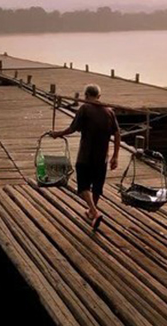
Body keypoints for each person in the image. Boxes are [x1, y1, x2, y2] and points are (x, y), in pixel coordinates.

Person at [50, 84, 120, 230]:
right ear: (99, 97)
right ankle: (91, 212)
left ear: (87, 95)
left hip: (86, 156)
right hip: (103, 157)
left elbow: (72, 128)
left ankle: (93, 211)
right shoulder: (109, 111)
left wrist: (57, 134)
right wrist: (115, 156)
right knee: (97, 186)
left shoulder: (85, 108)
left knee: (83, 186)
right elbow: (117, 133)